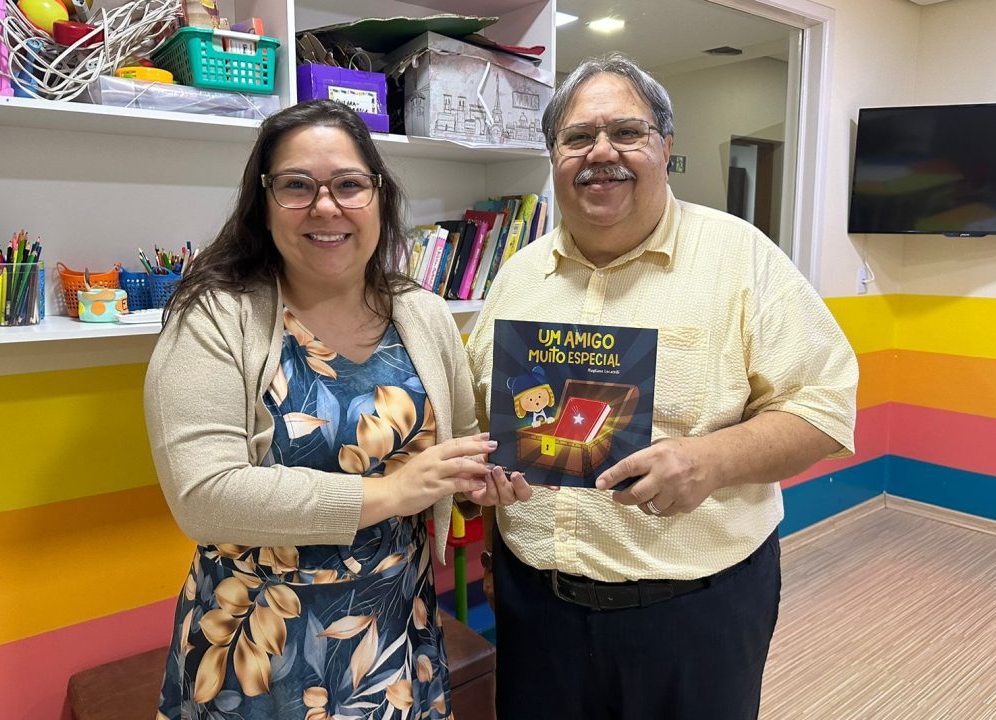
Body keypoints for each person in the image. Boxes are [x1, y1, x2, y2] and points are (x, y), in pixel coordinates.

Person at [466, 53, 858, 720]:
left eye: (627, 132)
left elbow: (824, 408)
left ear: (664, 145)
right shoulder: (517, 275)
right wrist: (481, 479)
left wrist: (710, 460)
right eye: (577, 137)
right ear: (552, 153)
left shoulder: (742, 259)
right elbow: (483, 419)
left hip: (694, 613)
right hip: (538, 611)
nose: (602, 153)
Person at [144, 99, 529, 720]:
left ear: (379, 196)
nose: (326, 206)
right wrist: (389, 493)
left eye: (349, 184)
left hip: (395, 634)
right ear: (263, 203)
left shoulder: (422, 314)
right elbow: (203, 495)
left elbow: (459, 441)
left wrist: (484, 479)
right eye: (297, 186)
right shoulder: (214, 317)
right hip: (257, 648)